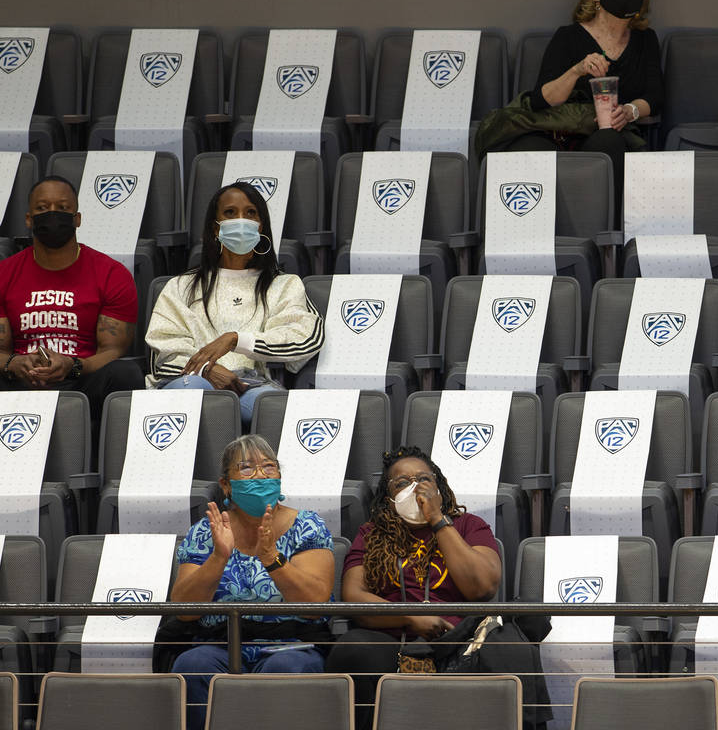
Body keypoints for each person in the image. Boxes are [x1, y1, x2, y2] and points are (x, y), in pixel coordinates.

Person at [325, 447, 502, 728]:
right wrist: (410, 616)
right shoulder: (371, 534)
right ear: (388, 497)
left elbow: (483, 587)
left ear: (439, 487)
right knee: (353, 649)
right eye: (402, 483)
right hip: (394, 637)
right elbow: (354, 596)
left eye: (423, 479)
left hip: (460, 638)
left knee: (507, 650)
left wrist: (437, 520)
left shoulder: (469, 525)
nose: (415, 487)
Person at [168, 434, 335, 728]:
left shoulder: (308, 525)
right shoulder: (206, 531)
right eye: (246, 468)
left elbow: (315, 605)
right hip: (219, 643)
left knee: (285, 669)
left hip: (291, 644)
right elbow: (184, 608)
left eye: (269, 467)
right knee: (192, 666)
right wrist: (219, 557)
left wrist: (272, 558)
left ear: (279, 478)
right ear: (226, 485)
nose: (260, 474)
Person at [145, 182, 323, 424]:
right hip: (191, 382)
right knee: (196, 389)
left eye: (251, 213)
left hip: (250, 385)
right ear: (215, 228)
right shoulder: (181, 286)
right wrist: (205, 369)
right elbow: (164, 353)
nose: (241, 220)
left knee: (271, 406)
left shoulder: (284, 284)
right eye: (230, 213)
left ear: (261, 227)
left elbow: (304, 338)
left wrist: (236, 339)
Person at [0, 175, 142, 429]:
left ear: (77, 219)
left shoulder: (112, 273)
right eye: (43, 208)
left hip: (81, 379)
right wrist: (16, 364)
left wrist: (72, 365)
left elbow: (112, 351)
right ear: (29, 219)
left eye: (63, 208)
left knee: (125, 374)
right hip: (20, 382)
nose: (52, 215)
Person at [504, 0, 663, 200]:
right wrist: (577, 70)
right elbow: (541, 99)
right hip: (558, 131)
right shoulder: (568, 36)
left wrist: (630, 111)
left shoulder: (646, 39)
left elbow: (655, 96)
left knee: (609, 142)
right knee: (527, 149)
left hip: (607, 133)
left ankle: (605, 236)